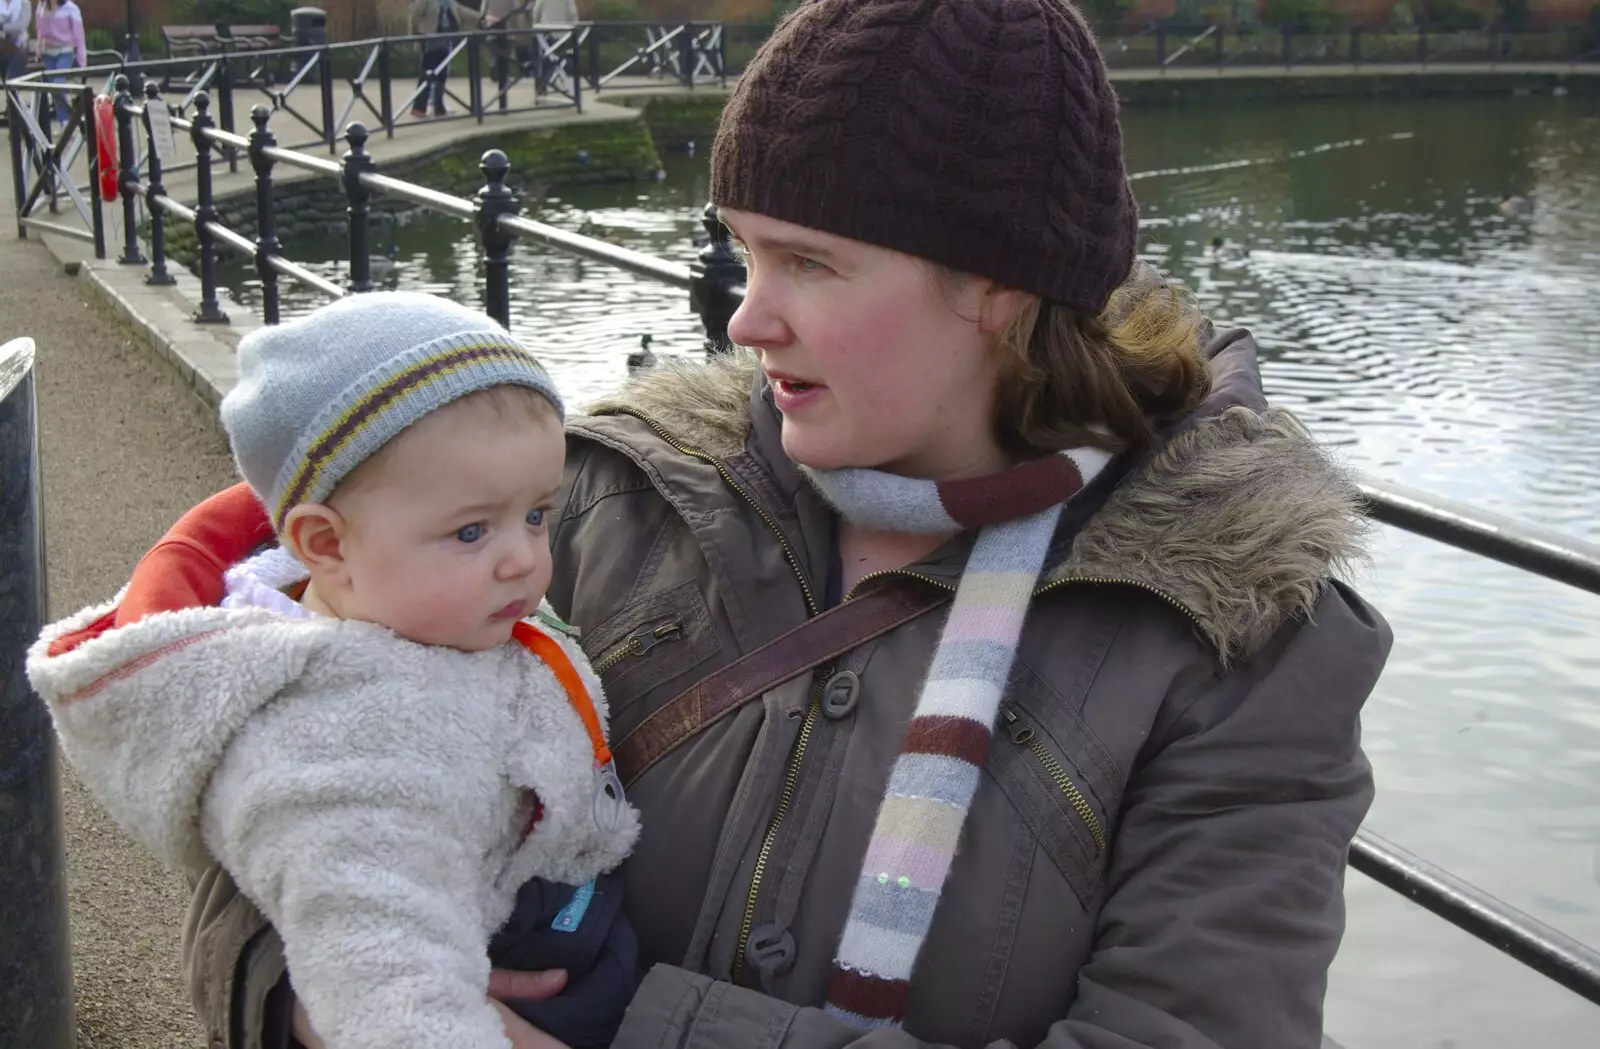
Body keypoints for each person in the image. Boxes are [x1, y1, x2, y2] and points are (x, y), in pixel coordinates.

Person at [98, 2, 1393, 1047]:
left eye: (810, 264)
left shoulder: (1241, 640)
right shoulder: (607, 501)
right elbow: (281, 823)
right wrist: (305, 1004)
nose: (743, 315)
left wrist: (634, 1028)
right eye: (741, 250)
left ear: (1000, 286)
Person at [28, 293, 644, 1049]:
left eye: (538, 513)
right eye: (473, 529)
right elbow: (386, 991)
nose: (523, 556)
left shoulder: (434, 608)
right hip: (517, 981)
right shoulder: (335, 749)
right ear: (324, 546)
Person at [408, 0, 479, 118]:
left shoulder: (448, 1)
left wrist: (481, 16)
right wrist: (415, 37)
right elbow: (414, 16)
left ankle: (439, 107)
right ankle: (419, 108)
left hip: (445, 40)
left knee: (442, 74)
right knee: (427, 73)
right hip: (430, 40)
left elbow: (461, 11)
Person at [30, 0, 82, 125]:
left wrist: (81, 59)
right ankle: (62, 119)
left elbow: (79, 35)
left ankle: (65, 120)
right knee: (53, 87)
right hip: (49, 52)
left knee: (58, 83)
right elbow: (39, 31)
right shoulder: (41, 8)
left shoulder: (71, 9)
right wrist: (38, 50)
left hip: (65, 51)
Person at [0, 0, 30, 83]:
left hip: (19, 46)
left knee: (12, 80)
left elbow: (21, 26)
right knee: (5, 80)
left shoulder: (24, 3)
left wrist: (2, 27)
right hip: (1, 47)